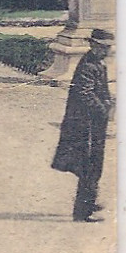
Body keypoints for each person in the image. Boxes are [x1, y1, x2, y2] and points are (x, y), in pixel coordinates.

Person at [52, 28, 114, 222]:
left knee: (93, 164)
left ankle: (89, 201)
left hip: (92, 123)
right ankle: (82, 211)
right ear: (94, 46)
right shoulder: (89, 66)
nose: (108, 51)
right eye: (104, 47)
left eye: (109, 47)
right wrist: (104, 108)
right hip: (84, 125)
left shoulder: (96, 63)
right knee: (89, 166)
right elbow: (85, 94)